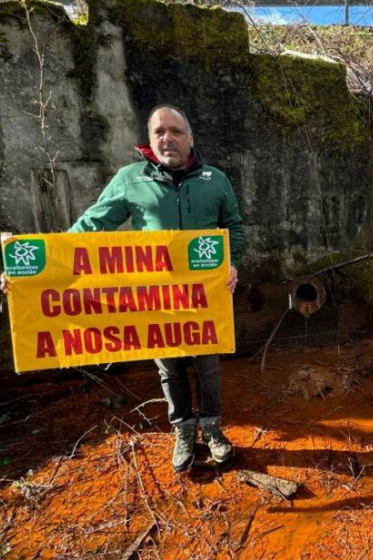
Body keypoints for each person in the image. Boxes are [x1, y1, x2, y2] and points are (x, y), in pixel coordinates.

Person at [67, 105, 245, 471]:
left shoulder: (216, 179)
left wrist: (232, 261)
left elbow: (235, 227)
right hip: (156, 298)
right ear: (149, 140)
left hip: (204, 296)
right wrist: (35, 274)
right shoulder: (130, 179)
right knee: (170, 368)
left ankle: (212, 428)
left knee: (208, 366)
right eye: (159, 131)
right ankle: (183, 430)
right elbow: (89, 228)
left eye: (176, 131)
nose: (168, 138)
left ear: (190, 138)